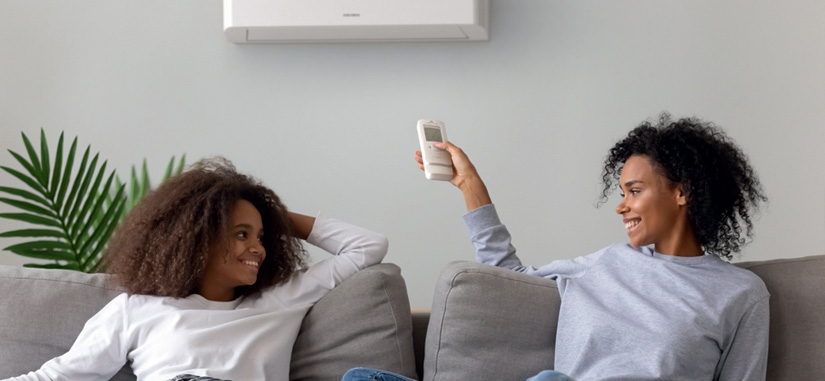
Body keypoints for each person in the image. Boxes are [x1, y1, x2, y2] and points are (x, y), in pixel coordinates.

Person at [344, 113, 769, 381]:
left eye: (634, 191)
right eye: (621, 192)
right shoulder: (606, 264)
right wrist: (469, 185)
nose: (621, 206)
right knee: (362, 379)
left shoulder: (739, 292)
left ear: (683, 191)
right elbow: (507, 280)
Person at [5, 158, 388, 381]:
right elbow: (61, 376)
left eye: (262, 236)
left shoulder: (281, 299)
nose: (258, 247)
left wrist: (273, 216)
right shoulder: (137, 309)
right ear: (197, 239)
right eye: (241, 234)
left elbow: (367, 246)